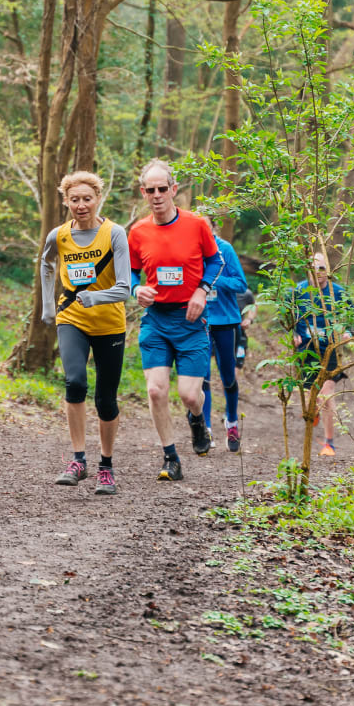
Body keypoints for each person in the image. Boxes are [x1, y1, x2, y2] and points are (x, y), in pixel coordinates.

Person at [128, 160, 227, 481]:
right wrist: (135, 287)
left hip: (191, 318)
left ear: (173, 190)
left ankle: (197, 420)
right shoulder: (138, 232)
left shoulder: (196, 224)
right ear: (143, 193)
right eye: (150, 190)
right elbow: (128, 271)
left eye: (162, 189)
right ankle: (170, 457)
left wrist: (202, 290)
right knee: (156, 391)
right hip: (156, 319)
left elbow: (216, 261)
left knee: (188, 395)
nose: (157, 195)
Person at [39, 171, 131, 494]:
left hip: (109, 323)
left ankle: (106, 466)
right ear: (66, 201)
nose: (81, 205)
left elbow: (124, 289)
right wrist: (48, 307)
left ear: (97, 199)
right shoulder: (58, 235)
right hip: (72, 318)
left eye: (87, 199)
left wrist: (95, 297)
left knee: (106, 400)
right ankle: (78, 460)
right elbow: (46, 263)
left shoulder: (114, 234)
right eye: (74, 199)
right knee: (75, 381)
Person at [290, 252, 354, 457]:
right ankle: (314, 409)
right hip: (307, 350)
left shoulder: (338, 292)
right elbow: (288, 315)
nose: (318, 273)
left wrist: (348, 331)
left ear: (328, 271)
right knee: (313, 396)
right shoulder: (299, 291)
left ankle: (329, 443)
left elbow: (352, 315)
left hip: (330, 350)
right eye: (314, 269)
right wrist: (293, 333)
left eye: (321, 269)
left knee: (327, 396)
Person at [200, 231, 249, 453]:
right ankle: (206, 428)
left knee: (228, 376)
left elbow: (241, 284)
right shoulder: (189, 247)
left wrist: (213, 278)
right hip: (199, 320)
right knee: (202, 378)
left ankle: (231, 423)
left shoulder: (225, 249)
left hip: (226, 321)